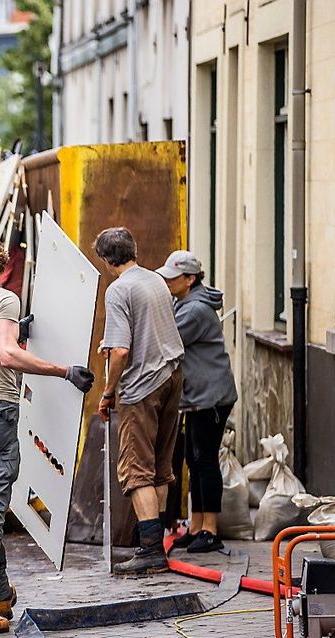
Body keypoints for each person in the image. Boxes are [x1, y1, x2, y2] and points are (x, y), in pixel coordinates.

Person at [0, 234, 94, 633]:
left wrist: (13, 330)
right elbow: (7, 355)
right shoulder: (4, 300)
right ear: (2, 266)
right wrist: (64, 371)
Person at [93, 227, 185, 576]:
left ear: (105, 260)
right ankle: (156, 544)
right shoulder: (155, 280)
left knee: (136, 469)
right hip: (171, 375)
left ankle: (149, 551)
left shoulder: (119, 290)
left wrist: (108, 391)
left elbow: (121, 351)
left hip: (143, 385)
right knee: (161, 466)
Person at [155, 250, 237, 554]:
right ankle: (197, 526)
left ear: (189, 279)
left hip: (210, 398)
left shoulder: (194, 311)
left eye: (172, 278)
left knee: (204, 461)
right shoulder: (185, 302)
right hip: (198, 397)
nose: (167, 282)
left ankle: (211, 531)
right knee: (194, 458)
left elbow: (167, 343)